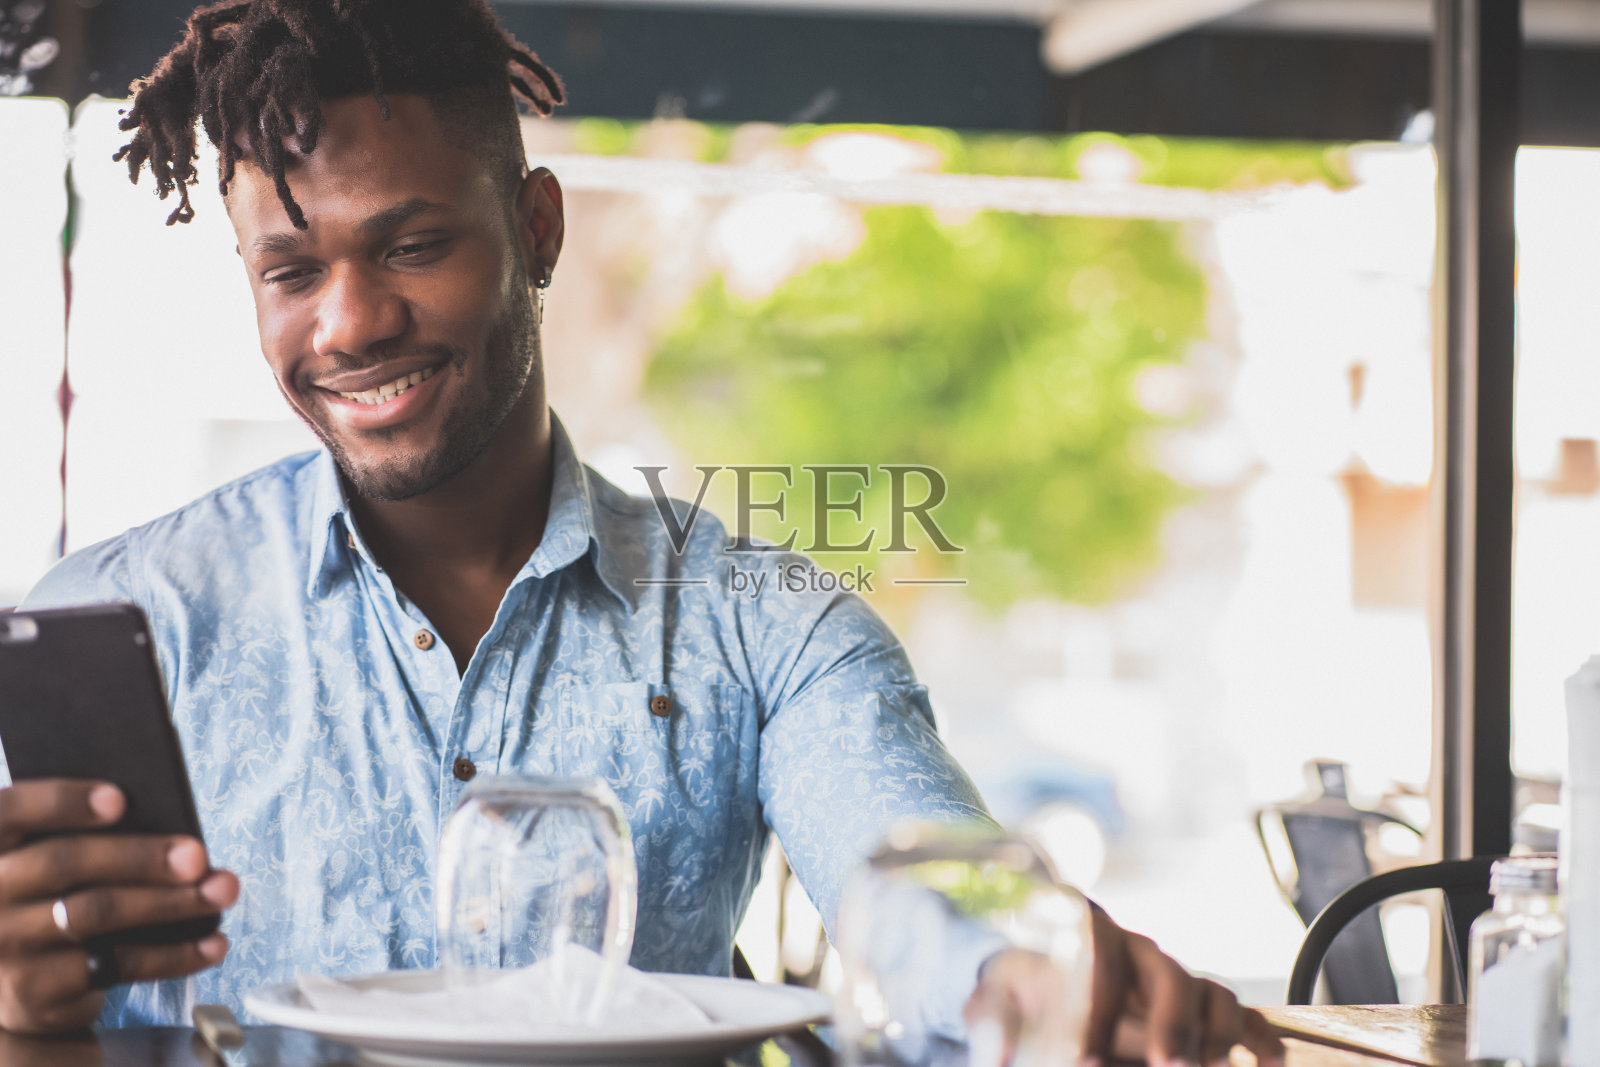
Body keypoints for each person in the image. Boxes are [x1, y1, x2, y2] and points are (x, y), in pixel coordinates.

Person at [5, 1, 1284, 1062]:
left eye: (411, 244)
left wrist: (1026, 976)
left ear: (537, 229)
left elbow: (912, 882)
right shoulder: (116, 618)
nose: (346, 323)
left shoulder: (766, 624)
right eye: (291, 271)